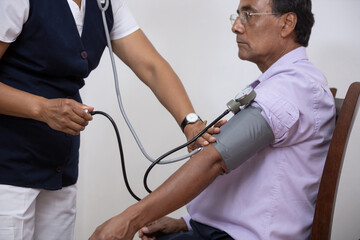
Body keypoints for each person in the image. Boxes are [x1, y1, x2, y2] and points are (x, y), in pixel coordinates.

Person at [89, 0, 336, 239]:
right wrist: (185, 223)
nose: (236, 26)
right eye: (237, 16)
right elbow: (257, 178)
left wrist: (130, 220)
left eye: (248, 15)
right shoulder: (281, 84)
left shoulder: (296, 86)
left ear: (287, 23)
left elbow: (214, 159)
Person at [0, 0, 221, 239]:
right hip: (9, 170)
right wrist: (41, 108)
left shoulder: (105, 5)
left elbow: (151, 66)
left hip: (59, 169)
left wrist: (190, 122)